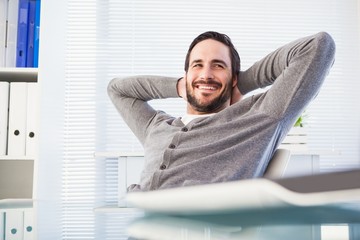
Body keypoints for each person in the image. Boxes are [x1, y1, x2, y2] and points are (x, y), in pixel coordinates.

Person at [108, 31, 335, 192]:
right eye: (197, 65)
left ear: (233, 76)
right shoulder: (156, 126)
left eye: (218, 66)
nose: (206, 74)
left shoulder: (258, 118)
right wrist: (181, 86)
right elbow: (117, 89)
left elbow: (318, 46)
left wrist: (242, 84)